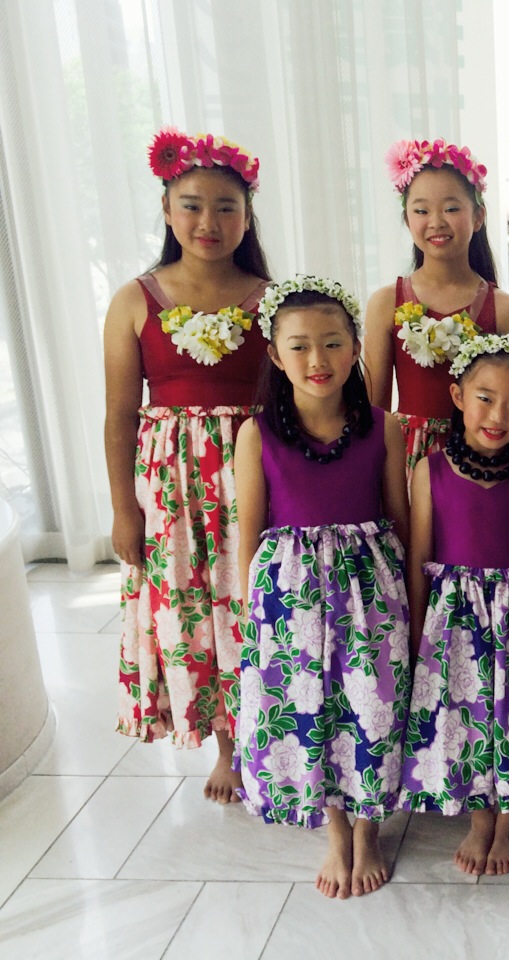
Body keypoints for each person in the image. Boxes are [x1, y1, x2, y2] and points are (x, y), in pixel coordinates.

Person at [104, 127, 271, 802]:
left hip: (252, 476)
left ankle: (269, 733)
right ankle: (226, 747)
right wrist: (124, 509)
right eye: (193, 205)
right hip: (172, 491)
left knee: (250, 604)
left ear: (247, 216)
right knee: (195, 611)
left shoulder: (269, 297)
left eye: (227, 206)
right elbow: (119, 413)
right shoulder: (135, 299)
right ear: (167, 210)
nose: (209, 221)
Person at [234, 275, 410, 900]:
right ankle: (336, 833)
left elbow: (398, 517)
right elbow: (249, 533)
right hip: (292, 600)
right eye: (300, 346)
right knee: (314, 712)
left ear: (356, 347)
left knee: (370, 708)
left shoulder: (384, 427)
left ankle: (369, 829)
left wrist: (408, 604)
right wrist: (253, 620)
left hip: (370, 594)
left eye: (333, 343)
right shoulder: (256, 434)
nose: (318, 359)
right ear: (276, 355)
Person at [398, 333, 509, 877]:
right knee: (466, 717)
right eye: (486, 398)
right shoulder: (429, 470)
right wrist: (418, 632)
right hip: (454, 620)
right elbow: (420, 555)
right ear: (457, 396)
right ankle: (479, 816)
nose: (499, 415)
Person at [365, 138, 509, 475]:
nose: (436, 221)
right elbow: (373, 410)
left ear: (478, 216)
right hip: (407, 461)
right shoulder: (385, 303)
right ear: (407, 219)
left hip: (483, 461)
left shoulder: (504, 309)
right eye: (421, 210)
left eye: (452, 209)